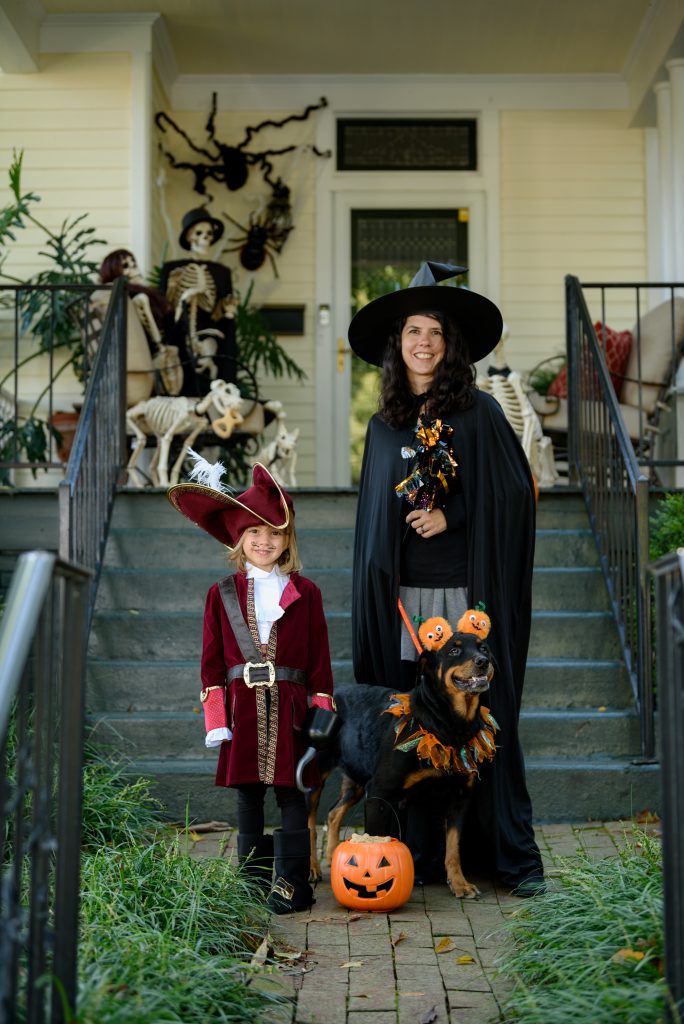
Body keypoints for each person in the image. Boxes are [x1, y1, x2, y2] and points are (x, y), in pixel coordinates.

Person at [348, 260, 544, 895]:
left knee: (475, 726)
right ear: (397, 343)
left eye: (434, 332)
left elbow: (514, 493)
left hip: (464, 597)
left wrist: (451, 515)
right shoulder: (383, 427)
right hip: (405, 601)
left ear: (450, 344)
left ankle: (504, 857)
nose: (423, 342)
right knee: (410, 730)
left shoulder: (478, 413)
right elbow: (373, 518)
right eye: (412, 331)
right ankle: (418, 858)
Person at [167, 457, 335, 913]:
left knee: (292, 790)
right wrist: (217, 720)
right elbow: (211, 665)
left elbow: (320, 663)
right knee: (248, 794)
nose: (265, 541)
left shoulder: (308, 592)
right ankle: (252, 883)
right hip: (241, 707)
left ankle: (294, 884)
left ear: (288, 539)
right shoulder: (220, 594)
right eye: (255, 532)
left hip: (293, 706)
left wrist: (323, 718)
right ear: (239, 538)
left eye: (275, 533)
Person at [160, 208, 239, 396]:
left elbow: (223, 309)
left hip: (210, 336)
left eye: (209, 233)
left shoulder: (221, 272)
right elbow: (164, 307)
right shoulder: (172, 269)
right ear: (189, 237)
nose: (206, 238)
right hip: (179, 335)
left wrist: (228, 311)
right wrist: (178, 293)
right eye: (199, 233)